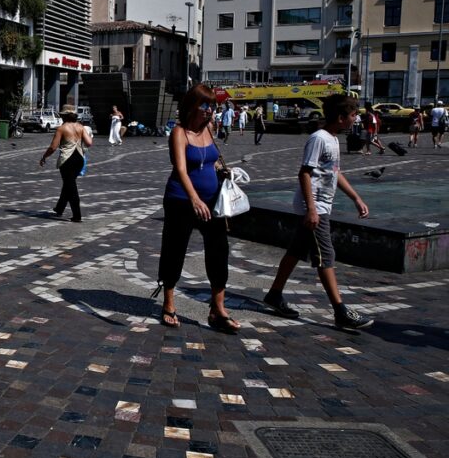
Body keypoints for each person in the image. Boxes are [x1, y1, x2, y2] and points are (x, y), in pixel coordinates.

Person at [262, 94, 374, 330]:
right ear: (341, 117)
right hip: (314, 206)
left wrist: (356, 198)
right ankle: (340, 310)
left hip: (319, 205)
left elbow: (334, 173)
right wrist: (311, 209)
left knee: (296, 251)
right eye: (353, 116)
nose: (355, 120)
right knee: (325, 255)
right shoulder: (319, 139)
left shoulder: (333, 139)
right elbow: (304, 173)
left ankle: (274, 294)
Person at [155, 85, 238, 333]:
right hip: (181, 200)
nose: (209, 111)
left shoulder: (210, 129)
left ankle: (217, 308)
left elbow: (209, 162)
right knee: (174, 249)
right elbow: (181, 169)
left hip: (212, 200)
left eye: (212, 106)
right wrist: (194, 199)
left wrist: (224, 171)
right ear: (192, 106)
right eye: (205, 105)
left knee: (219, 250)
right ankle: (168, 302)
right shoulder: (179, 133)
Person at [39, 104, 93, 223]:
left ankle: (77, 215)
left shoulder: (62, 128)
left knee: (71, 187)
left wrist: (44, 157)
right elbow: (89, 143)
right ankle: (59, 208)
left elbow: (53, 147)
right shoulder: (80, 127)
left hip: (67, 160)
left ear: (64, 116)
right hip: (79, 159)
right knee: (68, 184)